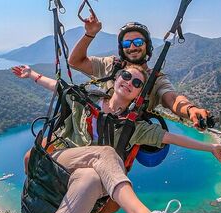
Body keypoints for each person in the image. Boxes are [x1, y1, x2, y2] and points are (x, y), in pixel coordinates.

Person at [5, 65, 221, 213]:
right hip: (59, 163)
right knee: (107, 153)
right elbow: (59, 88)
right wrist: (32, 75)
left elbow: (171, 137)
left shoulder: (134, 126)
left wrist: (210, 147)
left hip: (81, 179)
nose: (129, 82)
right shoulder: (86, 99)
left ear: (139, 95)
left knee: (92, 178)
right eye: (126, 76)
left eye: (137, 83)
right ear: (116, 78)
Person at [68, 13, 210, 129]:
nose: (132, 47)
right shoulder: (111, 65)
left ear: (147, 46)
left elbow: (172, 99)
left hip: (124, 139)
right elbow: (75, 61)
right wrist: (90, 34)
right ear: (121, 48)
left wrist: (191, 109)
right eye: (126, 43)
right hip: (94, 127)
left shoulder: (156, 80)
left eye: (138, 42)